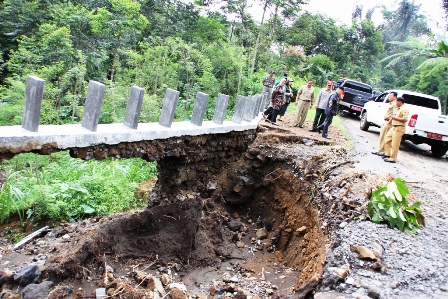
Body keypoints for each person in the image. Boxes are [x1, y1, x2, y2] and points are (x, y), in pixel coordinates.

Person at [382, 96, 409, 163]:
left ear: (400, 102)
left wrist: (396, 118)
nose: (396, 103)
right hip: (394, 127)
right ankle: (387, 154)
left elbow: (405, 119)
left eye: (397, 101)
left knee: (395, 144)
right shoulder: (398, 108)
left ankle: (393, 158)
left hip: (399, 128)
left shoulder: (404, 109)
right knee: (387, 139)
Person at [372, 92, 398, 156]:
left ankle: (382, 151)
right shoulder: (391, 103)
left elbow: (394, 115)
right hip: (385, 121)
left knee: (385, 137)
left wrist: (389, 122)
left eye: (391, 96)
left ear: (395, 97)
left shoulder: (395, 104)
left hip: (388, 122)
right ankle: (380, 150)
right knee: (382, 136)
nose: (389, 97)